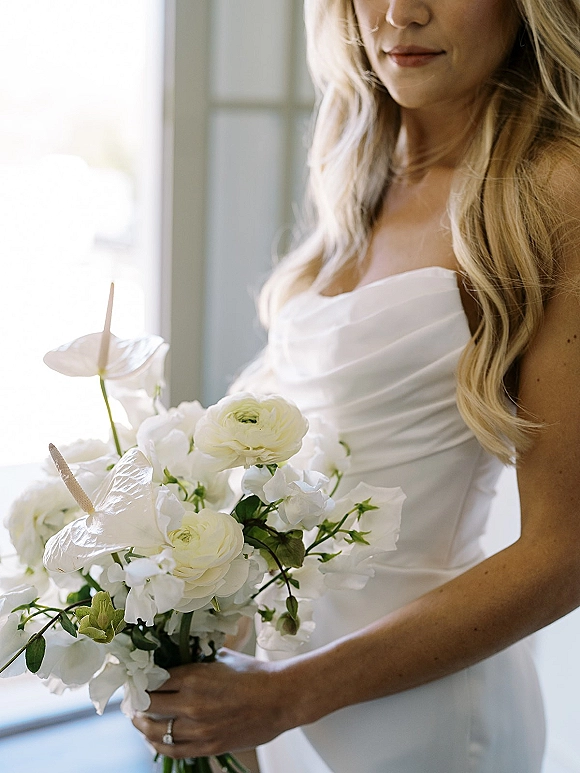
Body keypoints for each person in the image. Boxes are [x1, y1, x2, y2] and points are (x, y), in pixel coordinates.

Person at [132, 0, 580, 770]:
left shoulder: (553, 189)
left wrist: (290, 691)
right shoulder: (361, 170)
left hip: (424, 720)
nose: (402, 12)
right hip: (278, 707)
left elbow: (566, 551)